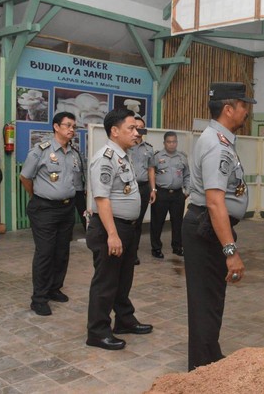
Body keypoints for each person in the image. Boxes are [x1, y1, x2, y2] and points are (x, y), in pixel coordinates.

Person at [182, 82, 253, 370]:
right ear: (228, 109)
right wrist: (231, 251)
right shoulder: (217, 145)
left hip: (208, 226)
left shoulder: (219, 139)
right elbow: (214, 202)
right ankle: (201, 369)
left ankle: (209, 358)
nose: (247, 111)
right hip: (206, 228)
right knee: (205, 300)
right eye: (243, 105)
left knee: (211, 299)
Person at [86, 108, 153, 350]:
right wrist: (112, 235)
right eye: (131, 128)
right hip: (110, 229)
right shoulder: (105, 157)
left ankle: (124, 319)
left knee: (123, 279)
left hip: (127, 228)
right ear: (114, 131)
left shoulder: (123, 156)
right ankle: (97, 332)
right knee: (106, 282)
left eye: (137, 129)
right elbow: (102, 199)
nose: (137, 133)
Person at [20, 112, 79, 316]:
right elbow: (25, 177)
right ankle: (39, 299)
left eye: (74, 126)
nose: (72, 129)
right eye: (68, 125)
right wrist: (39, 196)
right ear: (56, 127)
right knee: (45, 252)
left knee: (62, 251)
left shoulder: (73, 153)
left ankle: (55, 288)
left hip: (66, 208)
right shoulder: (40, 150)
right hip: (44, 208)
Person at [150, 131, 190, 258]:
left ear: (177, 142)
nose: (172, 144)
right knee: (157, 222)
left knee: (178, 222)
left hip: (178, 195)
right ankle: (156, 248)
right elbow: (151, 173)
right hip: (161, 193)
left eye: (174, 141)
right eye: (169, 142)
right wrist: (153, 190)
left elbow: (187, 175)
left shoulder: (182, 157)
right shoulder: (157, 156)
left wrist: (187, 190)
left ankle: (177, 247)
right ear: (164, 143)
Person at [131, 115, 157, 265]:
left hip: (143, 188)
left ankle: (133, 252)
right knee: (127, 221)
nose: (138, 130)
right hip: (128, 188)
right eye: (135, 127)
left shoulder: (149, 148)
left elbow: (151, 169)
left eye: (141, 127)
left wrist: (153, 189)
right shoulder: (126, 146)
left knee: (138, 223)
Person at [71, 142, 87, 233]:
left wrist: (86, 186)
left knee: (83, 210)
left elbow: (84, 169)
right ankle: (67, 234)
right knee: (68, 213)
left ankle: (88, 229)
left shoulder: (77, 153)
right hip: (66, 189)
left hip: (78, 188)